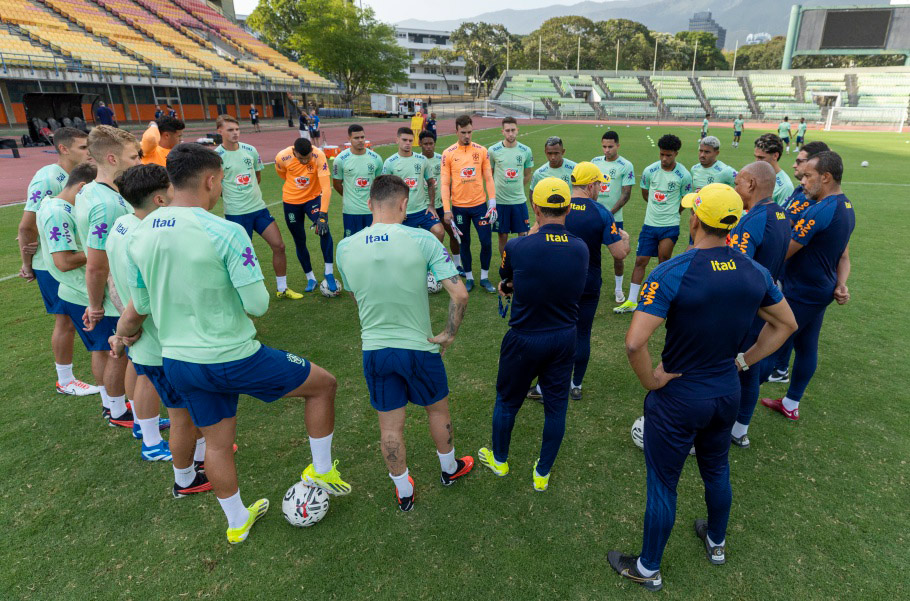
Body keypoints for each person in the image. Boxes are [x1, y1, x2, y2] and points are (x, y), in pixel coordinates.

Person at [124, 143, 351, 544]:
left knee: (216, 443)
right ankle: (320, 469)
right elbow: (258, 305)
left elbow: (140, 304)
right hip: (233, 356)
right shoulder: (224, 231)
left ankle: (236, 522)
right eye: (222, 182)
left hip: (177, 360)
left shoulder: (139, 233)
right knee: (324, 385)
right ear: (210, 180)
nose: (222, 190)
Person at [607, 183, 796, 592]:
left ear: (694, 218)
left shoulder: (674, 270)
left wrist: (652, 381)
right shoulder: (754, 270)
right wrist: (745, 361)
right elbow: (787, 324)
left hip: (679, 397)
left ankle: (648, 567)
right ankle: (716, 542)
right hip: (726, 392)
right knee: (716, 468)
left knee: (663, 482)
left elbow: (635, 342)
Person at [336, 175, 473, 511]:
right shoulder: (423, 240)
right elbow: (460, 293)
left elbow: (355, 295)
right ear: (404, 204)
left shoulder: (345, 247)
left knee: (389, 426)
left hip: (375, 351)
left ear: (369, 204)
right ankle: (449, 469)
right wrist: (449, 333)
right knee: (437, 409)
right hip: (420, 348)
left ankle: (404, 490)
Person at [477, 178, 588, 492]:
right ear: (567, 208)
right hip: (564, 337)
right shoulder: (580, 248)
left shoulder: (517, 245)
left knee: (507, 401)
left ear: (535, 207)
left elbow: (508, 277)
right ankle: (542, 471)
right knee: (556, 407)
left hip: (525, 337)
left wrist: (509, 286)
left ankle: (500, 460)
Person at [761, 151, 855, 421]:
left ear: (825, 177)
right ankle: (791, 403)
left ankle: (732, 413)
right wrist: (841, 284)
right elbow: (843, 255)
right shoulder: (846, 206)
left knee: (769, 344)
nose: (802, 180)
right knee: (806, 345)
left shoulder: (820, 210)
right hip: (820, 291)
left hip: (801, 292)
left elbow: (785, 251)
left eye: (808, 176)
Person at [37, 163, 130, 419]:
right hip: (83, 292)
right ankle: (117, 410)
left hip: (82, 291)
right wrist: (102, 251)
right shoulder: (58, 211)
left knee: (105, 349)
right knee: (113, 351)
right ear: (82, 188)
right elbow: (63, 261)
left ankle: (112, 405)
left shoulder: (57, 206)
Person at [105, 164, 180, 462]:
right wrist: (125, 330)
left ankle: (141, 425)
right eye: (171, 187)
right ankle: (151, 443)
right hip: (149, 325)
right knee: (149, 378)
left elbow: (112, 275)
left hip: (131, 317)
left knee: (139, 370)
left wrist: (123, 318)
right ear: (160, 199)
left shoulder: (122, 223)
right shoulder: (150, 237)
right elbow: (145, 297)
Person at [17, 126, 97, 396]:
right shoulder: (48, 178)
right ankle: (65, 380)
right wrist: (27, 264)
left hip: (69, 258)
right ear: (64, 149)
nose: (89, 152)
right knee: (64, 320)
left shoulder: (72, 176)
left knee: (71, 318)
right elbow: (27, 226)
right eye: (83, 147)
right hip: (52, 264)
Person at [75, 125, 142, 426]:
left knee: (117, 351)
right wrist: (96, 306)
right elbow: (96, 263)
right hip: (116, 294)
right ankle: (124, 413)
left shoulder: (93, 190)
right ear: (112, 159)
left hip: (115, 291)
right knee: (122, 352)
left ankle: (119, 408)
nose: (139, 161)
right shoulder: (106, 205)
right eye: (133, 156)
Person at [728, 161, 792, 447]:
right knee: (750, 367)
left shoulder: (753, 219)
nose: (735, 186)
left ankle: (726, 428)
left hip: (748, 307)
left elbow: (739, 267)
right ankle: (740, 430)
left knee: (738, 367)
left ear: (751, 184)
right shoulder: (781, 213)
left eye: (738, 181)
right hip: (767, 301)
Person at [558, 163, 630, 400]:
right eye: (599, 183)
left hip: (558, 279)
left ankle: (549, 382)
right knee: (582, 333)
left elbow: (535, 233)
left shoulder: (558, 206)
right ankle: (575, 384)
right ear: (590, 186)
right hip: (588, 280)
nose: (600, 188)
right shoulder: (601, 212)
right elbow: (619, 253)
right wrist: (626, 239)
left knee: (555, 329)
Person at [764, 141, 831, 384]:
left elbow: (785, 224)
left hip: (799, 278)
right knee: (804, 337)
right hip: (803, 278)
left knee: (781, 325)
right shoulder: (802, 191)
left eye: (801, 161)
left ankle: (769, 369)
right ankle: (783, 378)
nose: (795, 164)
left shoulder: (813, 200)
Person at [214, 115, 300, 299]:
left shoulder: (250, 150)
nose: (235, 133)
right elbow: (216, 185)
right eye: (230, 130)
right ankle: (241, 298)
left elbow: (257, 177)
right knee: (242, 257)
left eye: (237, 129)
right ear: (219, 131)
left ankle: (282, 288)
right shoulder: (216, 157)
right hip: (236, 214)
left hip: (259, 209)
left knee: (279, 245)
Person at [615, 134, 692, 314]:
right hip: (649, 225)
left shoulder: (684, 175)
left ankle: (661, 297)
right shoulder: (650, 171)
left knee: (664, 260)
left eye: (669, 155)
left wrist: (673, 212)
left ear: (676, 154)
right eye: (662, 154)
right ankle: (632, 301)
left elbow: (684, 200)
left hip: (670, 226)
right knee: (641, 260)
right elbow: (645, 193)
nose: (664, 159)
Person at [439, 114, 497, 293]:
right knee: (464, 242)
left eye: (470, 132)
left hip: (480, 206)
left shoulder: (481, 151)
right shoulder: (448, 154)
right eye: (463, 132)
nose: (467, 136)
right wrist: (447, 210)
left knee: (486, 242)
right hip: (459, 208)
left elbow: (488, 177)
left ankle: (485, 278)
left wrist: (492, 202)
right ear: (456, 131)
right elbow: (445, 183)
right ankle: (470, 277)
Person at [274, 138, 337, 293]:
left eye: (307, 158)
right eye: (301, 158)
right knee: (299, 240)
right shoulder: (282, 157)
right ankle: (310, 278)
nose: (304, 161)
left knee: (324, 230)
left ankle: (328, 272)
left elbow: (326, 188)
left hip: (313, 199)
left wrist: (322, 215)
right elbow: (282, 174)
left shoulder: (319, 156)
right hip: (290, 202)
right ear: (294, 151)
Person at [592, 130, 635, 303]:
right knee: (589, 253)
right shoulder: (594, 162)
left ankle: (618, 289)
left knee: (618, 255)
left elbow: (626, 194)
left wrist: (608, 214)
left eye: (610, 146)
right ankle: (590, 285)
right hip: (594, 217)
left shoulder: (626, 165)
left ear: (618, 145)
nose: (607, 150)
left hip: (614, 219)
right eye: (604, 146)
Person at [382, 127, 443, 241]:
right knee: (404, 242)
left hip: (422, 210)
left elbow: (430, 182)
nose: (408, 143)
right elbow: (385, 189)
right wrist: (395, 210)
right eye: (404, 140)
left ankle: (431, 257)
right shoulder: (390, 162)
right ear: (397, 140)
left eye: (410, 141)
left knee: (439, 231)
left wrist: (431, 205)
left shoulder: (422, 160)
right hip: (402, 212)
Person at [488, 117, 534, 255]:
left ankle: (522, 265)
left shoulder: (526, 150)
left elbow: (527, 174)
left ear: (517, 130)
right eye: (507, 130)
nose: (510, 134)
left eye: (513, 130)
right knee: (502, 236)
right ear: (502, 132)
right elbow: (489, 176)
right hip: (500, 202)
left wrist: (518, 187)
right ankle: (505, 268)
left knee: (523, 234)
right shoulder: (493, 150)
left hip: (519, 201)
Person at [420, 132, 462, 275]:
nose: (428, 147)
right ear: (420, 144)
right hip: (423, 208)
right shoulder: (417, 160)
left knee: (454, 234)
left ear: (434, 144)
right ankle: (430, 265)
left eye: (431, 143)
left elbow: (452, 180)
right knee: (429, 238)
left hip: (442, 205)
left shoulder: (442, 159)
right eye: (425, 144)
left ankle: (457, 264)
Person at [333, 124, 384, 238]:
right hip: (351, 211)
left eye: (362, 137)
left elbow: (379, 184)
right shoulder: (340, 160)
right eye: (356, 138)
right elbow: (336, 184)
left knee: (372, 242)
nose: (360, 141)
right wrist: (349, 197)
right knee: (351, 243)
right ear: (349, 139)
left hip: (371, 211)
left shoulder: (376, 158)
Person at [753, 133, 794, 207]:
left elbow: (784, 217)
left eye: (761, 158)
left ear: (775, 156)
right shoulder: (753, 174)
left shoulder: (785, 187)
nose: (757, 161)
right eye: (756, 157)